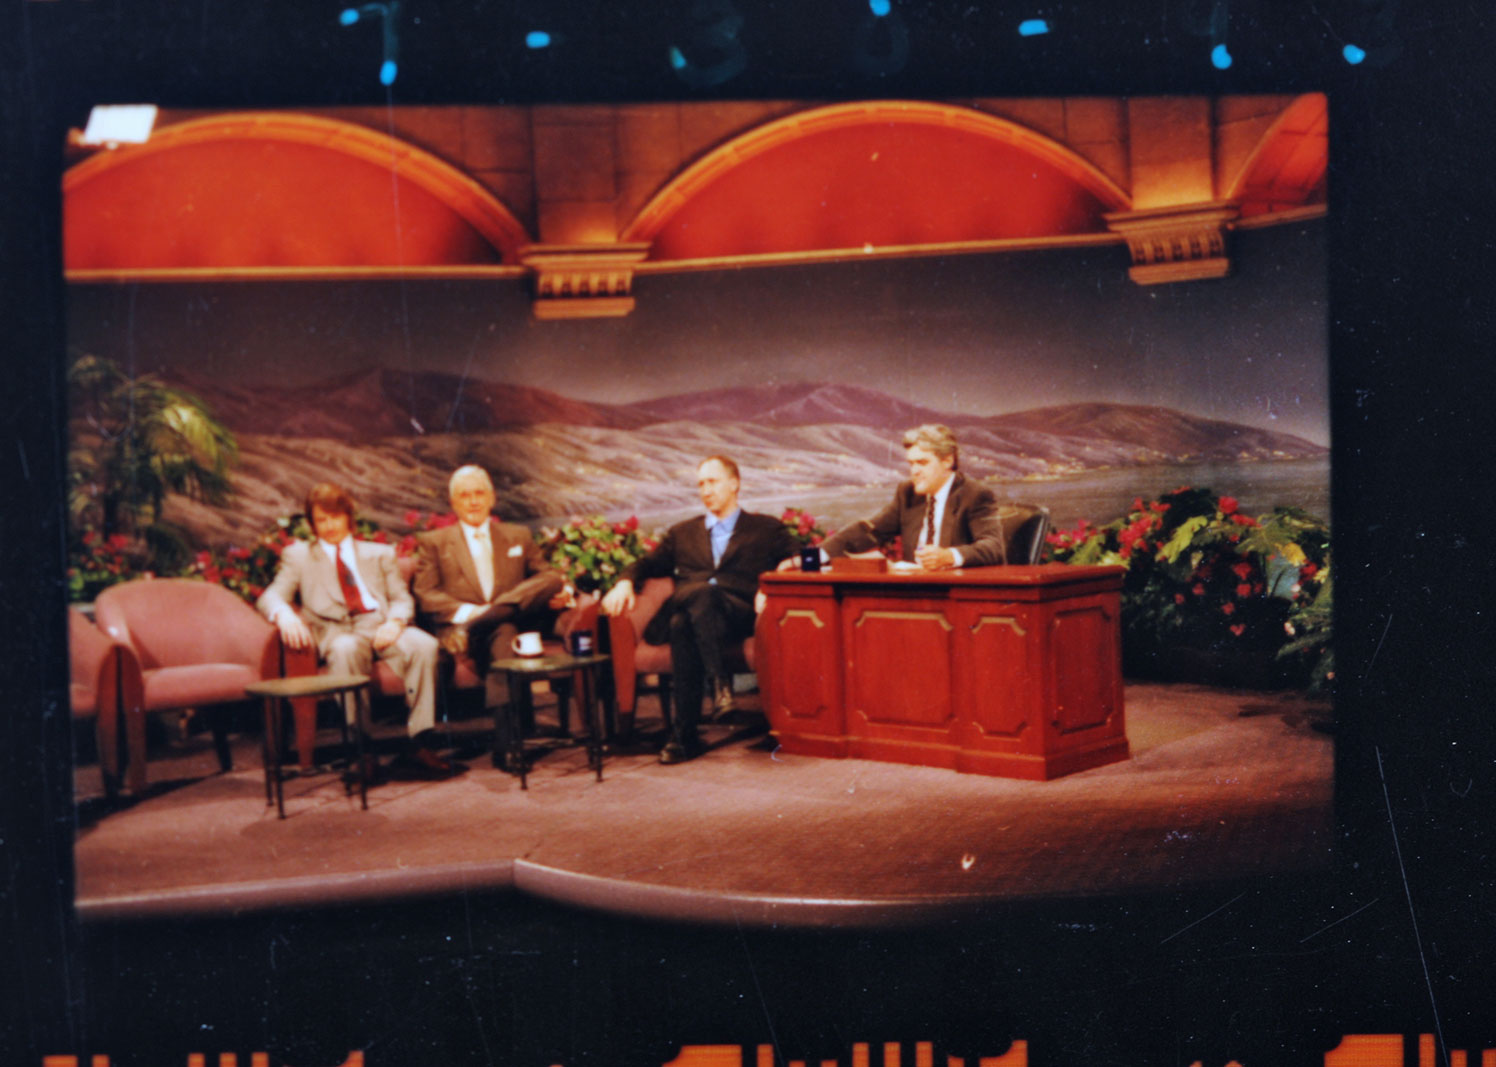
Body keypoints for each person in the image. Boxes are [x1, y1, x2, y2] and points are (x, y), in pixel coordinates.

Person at [601, 455, 797, 764]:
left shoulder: (765, 529)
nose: (705, 490)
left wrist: (772, 585)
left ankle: (685, 735)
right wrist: (624, 582)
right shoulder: (682, 533)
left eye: (713, 482)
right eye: (700, 484)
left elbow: (797, 558)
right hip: (696, 606)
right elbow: (648, 564)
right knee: (697, 600)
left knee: (683, 621)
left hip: (737, 615)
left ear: (734, 484)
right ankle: (718, 691)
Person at [257, 482, 455, 781]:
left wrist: (395, 622)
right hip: (338, 631)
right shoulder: (298, 557)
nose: (329, 526)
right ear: (312, 524)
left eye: (335, 517)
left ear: (348, 518)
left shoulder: (379, 553)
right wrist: (285, 615)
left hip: (381, 624)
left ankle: (420, 742)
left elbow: (401, 598)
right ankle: (363, 750)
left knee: (425, 645)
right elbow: (270, 596)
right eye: (321, 520)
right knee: (346, 650)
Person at [412, 465, 565, 770]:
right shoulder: (435, 542)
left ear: (492, 498)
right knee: (504, 625)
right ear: (453, 503)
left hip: (491, 628)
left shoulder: (517, 535)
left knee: (547, 585)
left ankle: (506, 744)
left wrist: (491, 614)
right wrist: (471, 613)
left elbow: (546, 576)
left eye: (479, 493)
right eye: (464, 496)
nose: (473, 501)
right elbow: (426, 595)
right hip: (457, 627)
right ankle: (509, 743)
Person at [815, 424, 1009, 569]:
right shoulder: (907, 493)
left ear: (947, 460)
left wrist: (949, 556)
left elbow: (993, 547)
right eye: (911, 463)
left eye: (922, 463)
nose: (914, 471)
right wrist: (814, 556)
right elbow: (869, 531)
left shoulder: (975, 494)